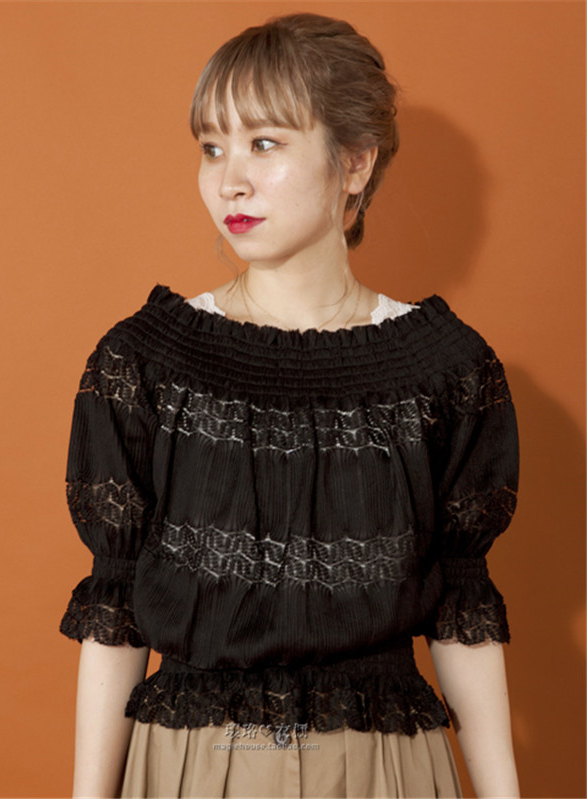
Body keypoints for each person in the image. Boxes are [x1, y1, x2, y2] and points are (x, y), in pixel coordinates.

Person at [60, 12, 520, 799]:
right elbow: (116, 607)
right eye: (212, 147)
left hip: (387, 773)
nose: (229, 180)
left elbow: (462, 606)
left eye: (264, 143)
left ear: (355, 162)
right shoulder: (144, 362)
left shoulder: (447, 369)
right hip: (191, 770)